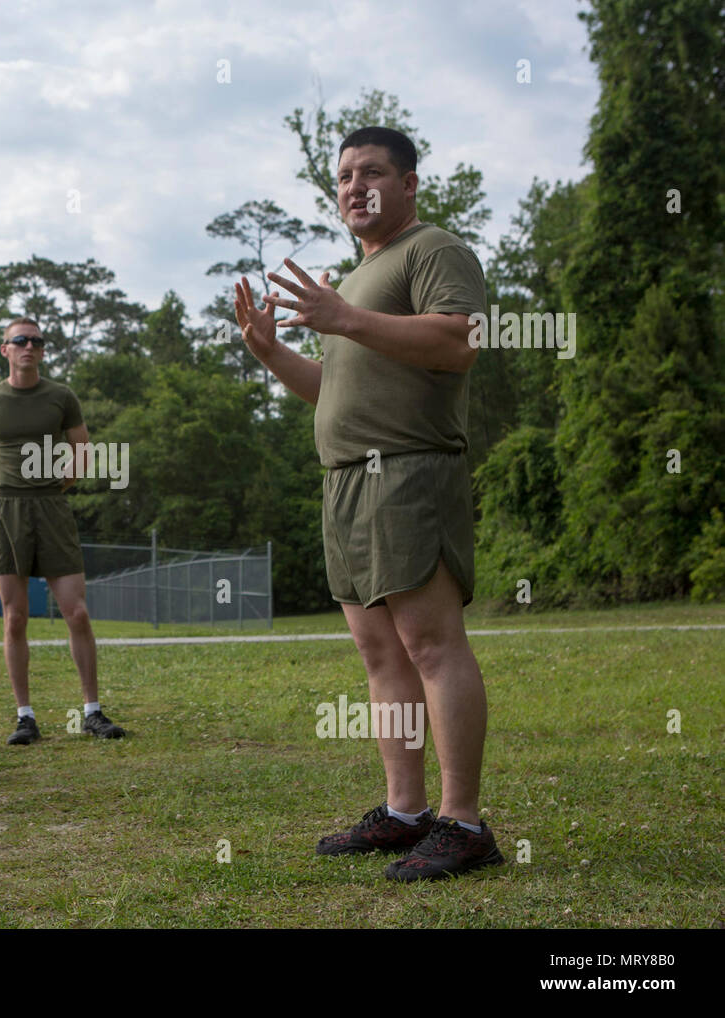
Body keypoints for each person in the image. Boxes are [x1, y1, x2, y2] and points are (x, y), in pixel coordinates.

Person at [234, 127, 504, 880]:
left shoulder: (432, 250)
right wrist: (273, 352)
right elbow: (336, 390)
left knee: (431, 647)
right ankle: (406, 811)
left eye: (373, 172)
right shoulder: (353, 281)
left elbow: (459, 341)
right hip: (347, 481)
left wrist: (343, 318)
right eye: (345, 174)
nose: (356, 185)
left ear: (409, 183)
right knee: (380, 654)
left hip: (411, 474)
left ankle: (464, 823)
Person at [0, 318, 126, 745]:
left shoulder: (61, 396)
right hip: (7, 513)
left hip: (53, 510)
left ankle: (92, 711)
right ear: (5, 349)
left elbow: (82, 449)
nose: (29, 347)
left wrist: (58, 487)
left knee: (77, 611)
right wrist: (2, 493)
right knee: (15, 617)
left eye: (36, 341)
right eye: (20, 341)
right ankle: (25, 717)